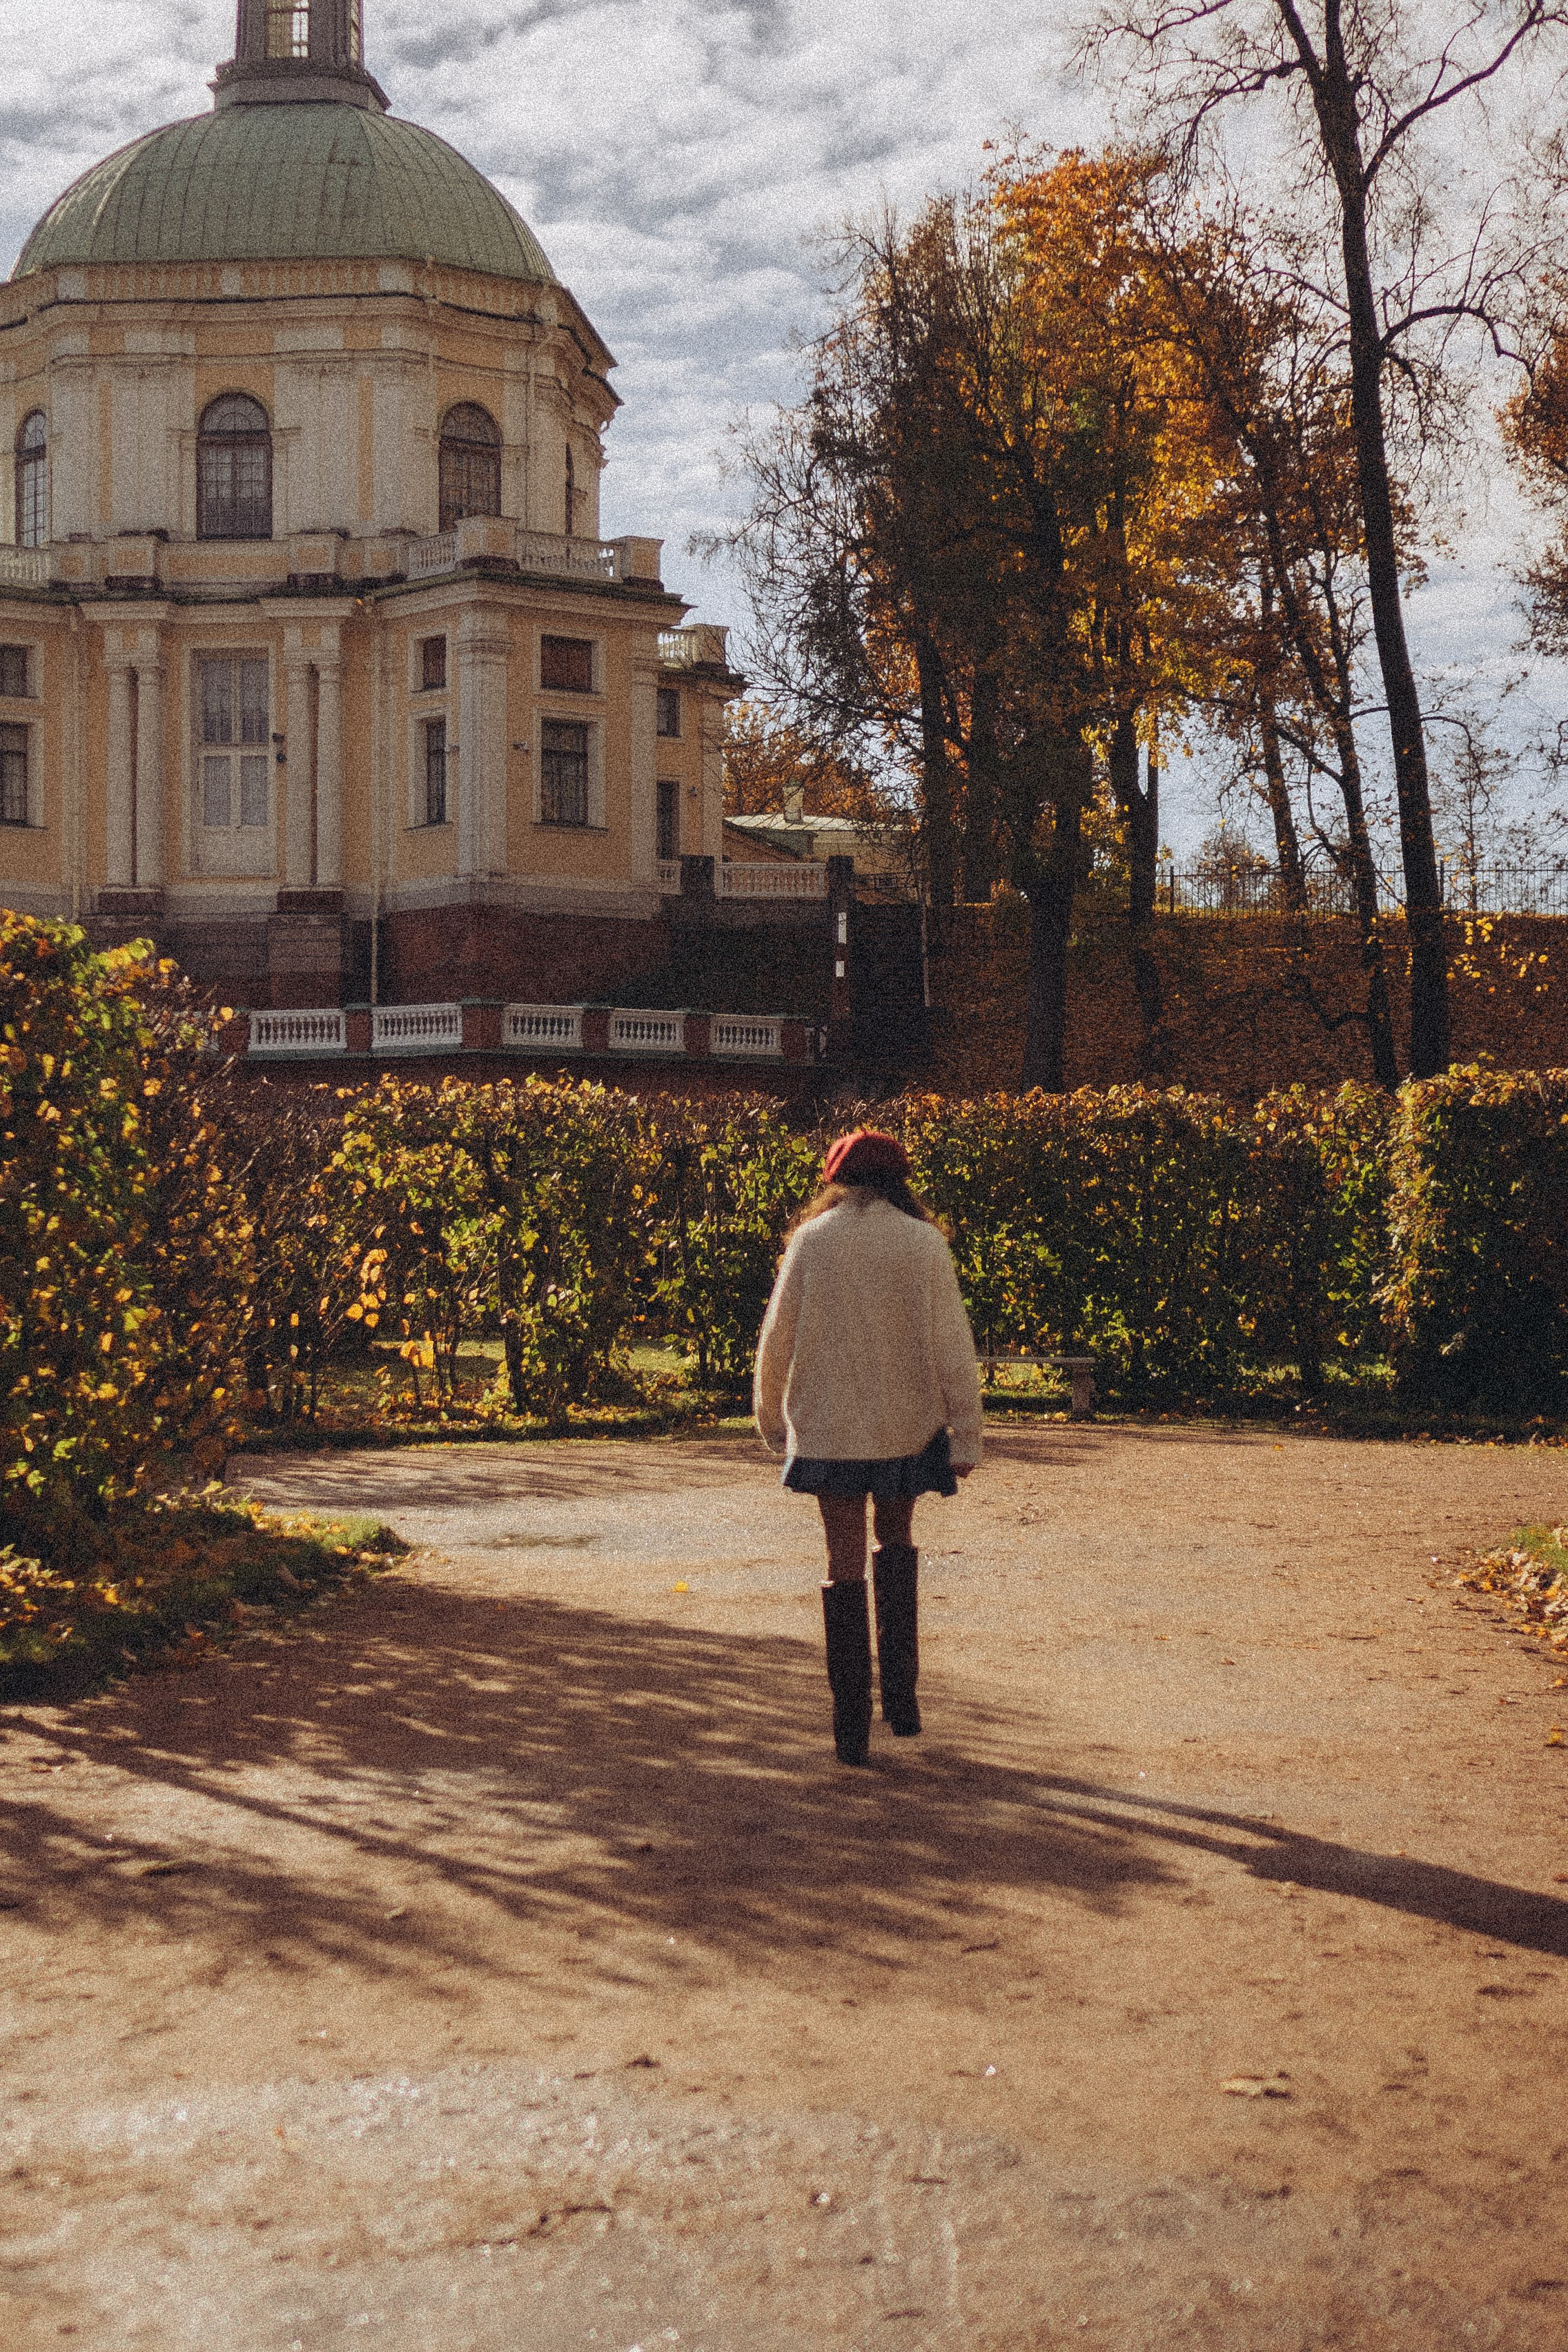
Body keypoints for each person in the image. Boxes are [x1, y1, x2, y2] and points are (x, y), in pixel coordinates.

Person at [754, 1128, 982, 1765]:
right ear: (900, 1180)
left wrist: (772, 1420)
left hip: (829, 1428)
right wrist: (966, 1430)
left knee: (843, 1562)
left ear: (836, 1178)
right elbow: (952, 1341)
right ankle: (903, 1704)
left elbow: (777, 1337)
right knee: (898, 1543)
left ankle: (850, 1728)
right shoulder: (924, 1243)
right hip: (908, 1426)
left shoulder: (811, 1241)